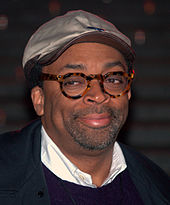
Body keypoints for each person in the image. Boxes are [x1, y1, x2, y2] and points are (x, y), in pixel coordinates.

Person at [0, 10, 169, 205]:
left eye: (113, 79)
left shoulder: (158, 188)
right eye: (73, 81)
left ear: (128, 93)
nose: (98, 95)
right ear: (40, 99)